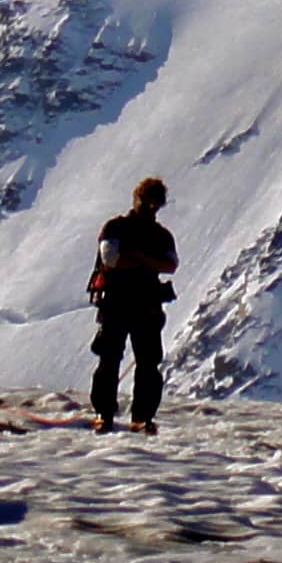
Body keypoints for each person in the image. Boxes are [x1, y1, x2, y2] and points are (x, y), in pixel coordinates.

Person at [88, 176, 178, 434]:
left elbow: (171, 265)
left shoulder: (148, 233)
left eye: (155, 203)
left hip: (138, 303)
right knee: (111, 359)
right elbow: (110, 260)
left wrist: (135, 258)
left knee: (145, 362)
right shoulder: (120, 228)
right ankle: (106, 413)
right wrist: (148, 262)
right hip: (125, 302)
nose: (151, 208)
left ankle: (140, 416)